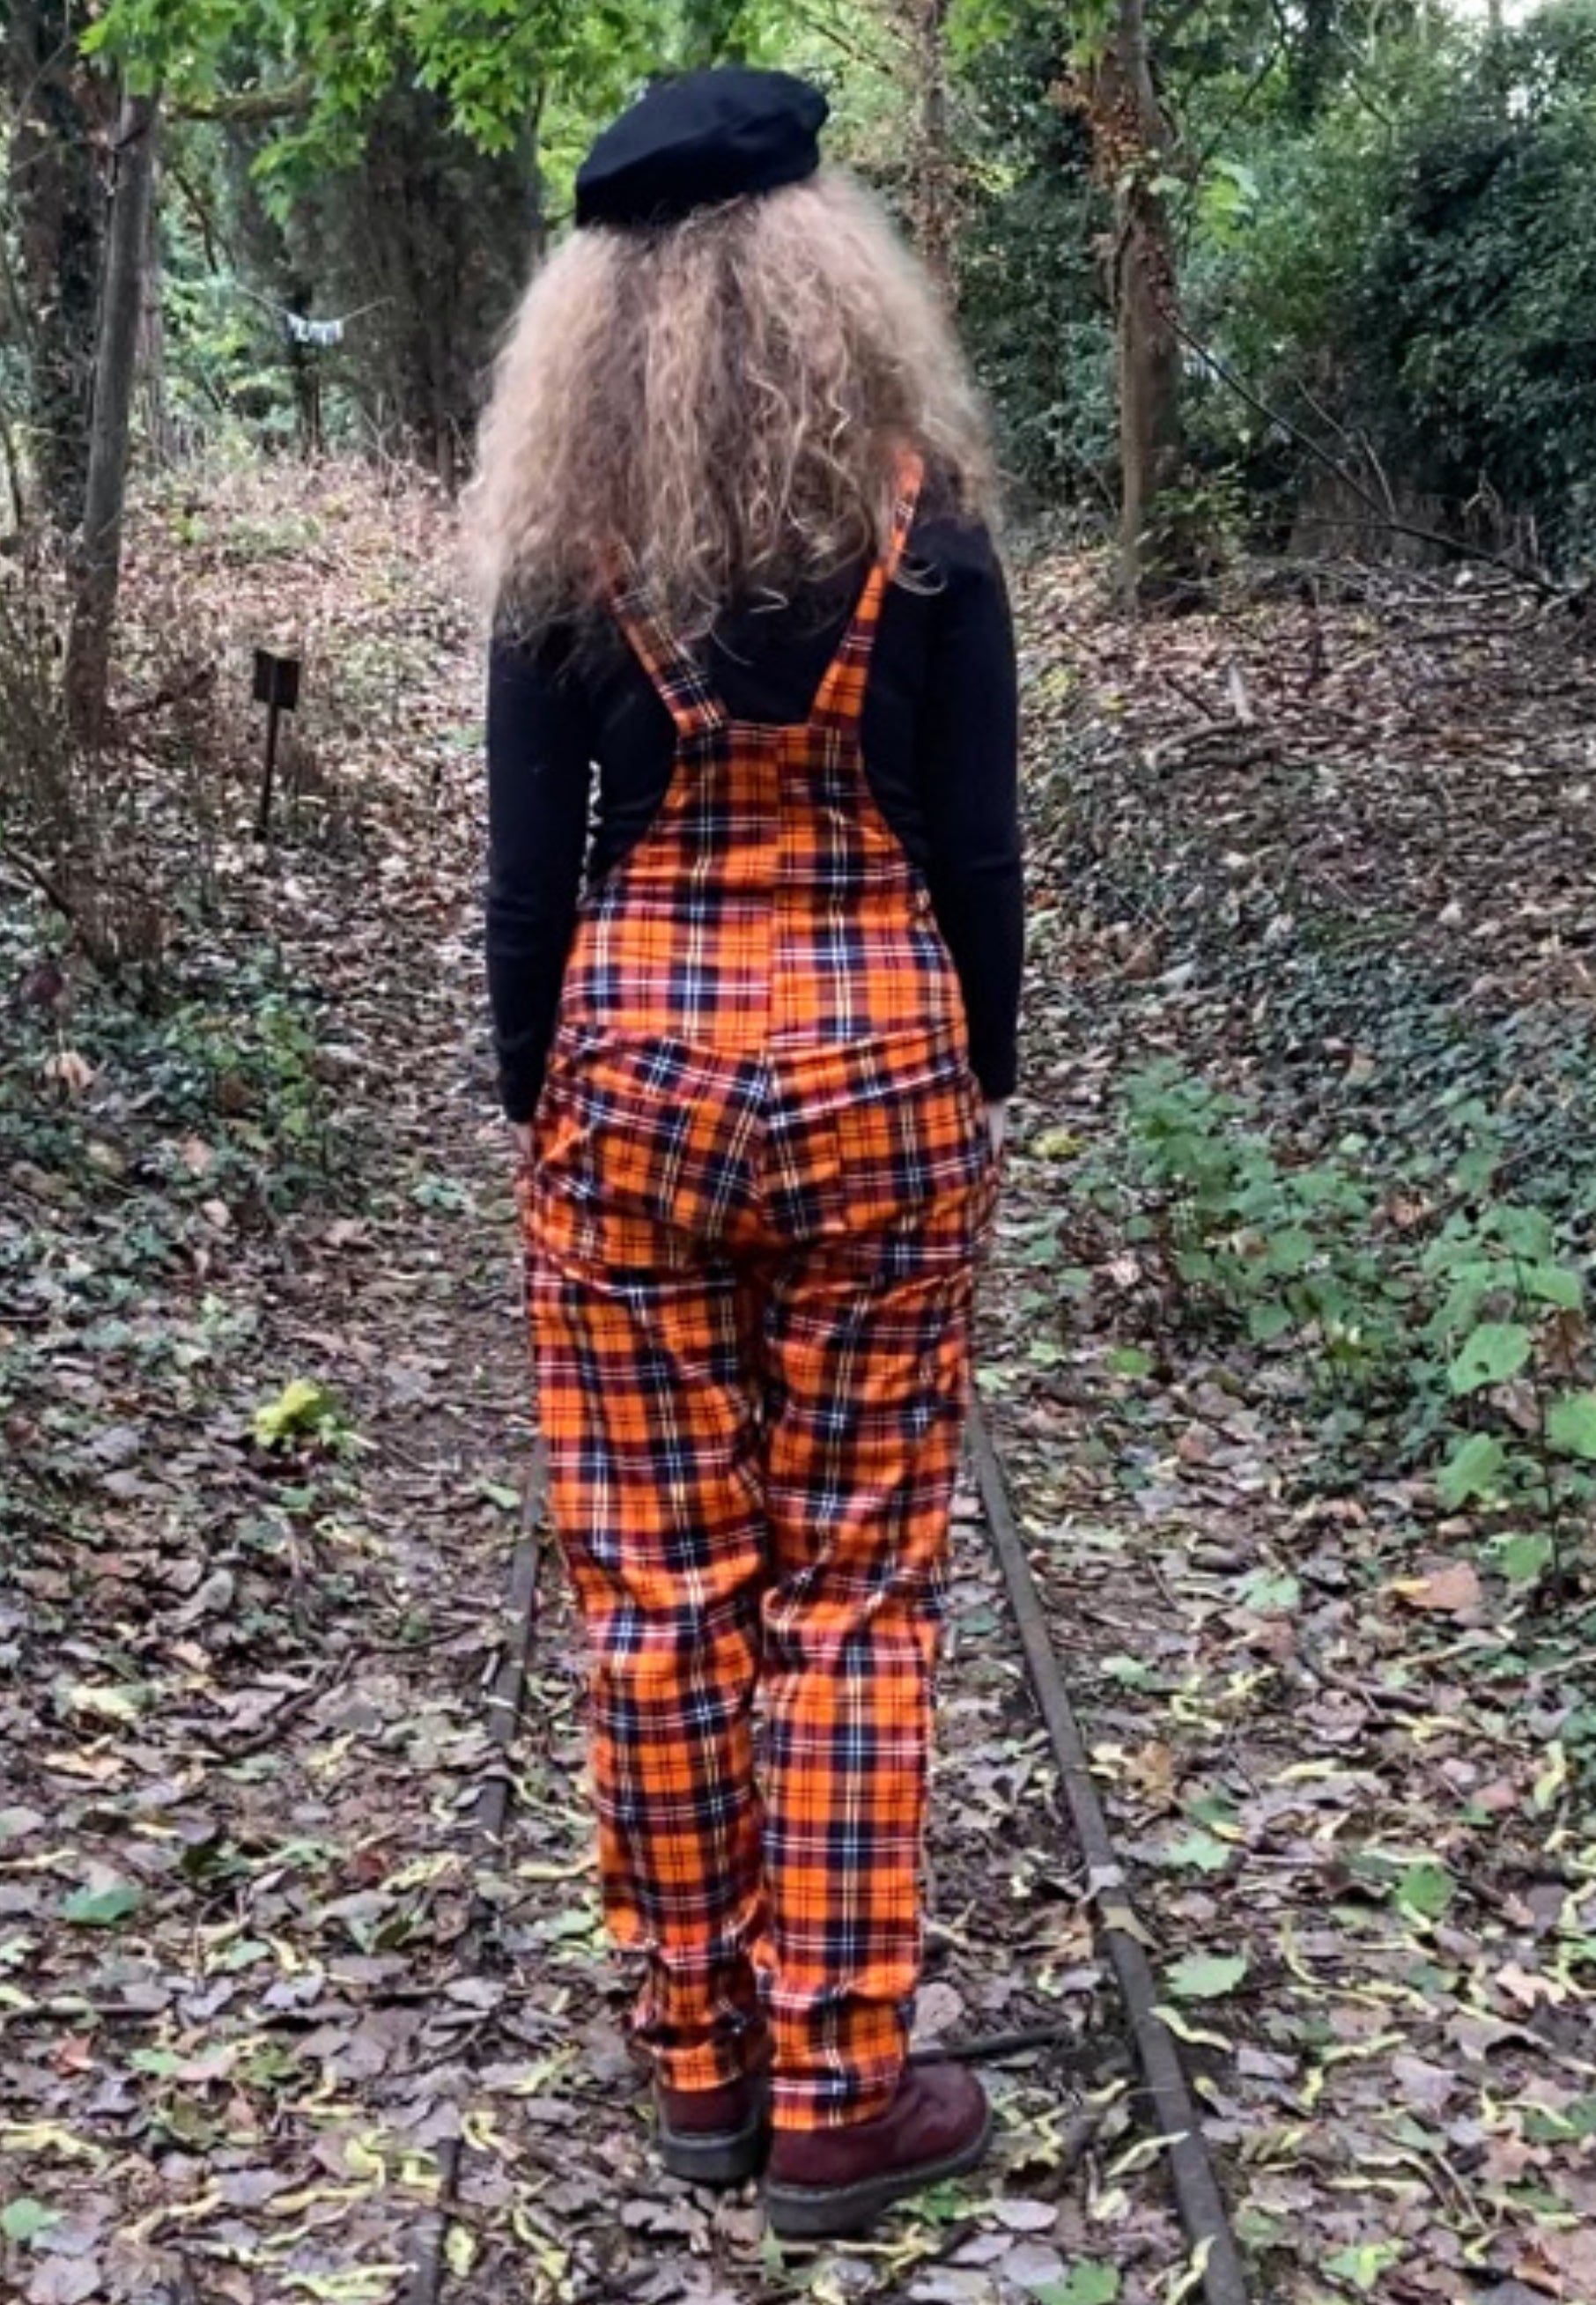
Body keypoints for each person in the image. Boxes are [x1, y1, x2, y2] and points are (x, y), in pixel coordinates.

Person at [470, 66, 1023, 2241]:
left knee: (657, 1588)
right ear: (831, 277)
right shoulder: (932, 522)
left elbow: (531, 885)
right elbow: (979, 857)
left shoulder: (561, 546)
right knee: (858, 1593)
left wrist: (551, 1106)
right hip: (883, 1073)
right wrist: (969, 1081)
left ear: (595, 313)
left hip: (633, 1091)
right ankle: (845, 2089)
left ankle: (698, 2067)